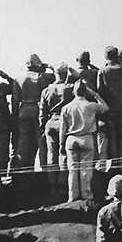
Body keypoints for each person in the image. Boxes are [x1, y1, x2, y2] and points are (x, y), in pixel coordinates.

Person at [59, 80, 108, 202]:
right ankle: (86, 196)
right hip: (86, 138)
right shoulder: (91, 105)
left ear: (73, 91)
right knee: (85, 171)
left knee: (72, 171)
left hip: (71, 139)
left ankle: (72, 197)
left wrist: (61, 143)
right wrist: (95, 94)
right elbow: (105, 107)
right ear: (85, 91)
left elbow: (62, 129)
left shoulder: (66, 108)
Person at [12, 54, 55, 169]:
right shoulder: (43, 77)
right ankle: (44, 169)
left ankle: (22, 169)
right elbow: (59, 77)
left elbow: (15, 101)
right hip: (38, 109)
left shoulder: (19, 78)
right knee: (41, 141)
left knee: (23, 143)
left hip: (24, 110)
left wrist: (15, 117)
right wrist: (50, 67)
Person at [39, 63, 74, 196]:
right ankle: (62, 184)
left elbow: (42, 112)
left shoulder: (47, 90)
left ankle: (52, 185)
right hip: (64, 123)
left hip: (51, 123)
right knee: (64, 154)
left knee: (51, 155)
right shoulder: (70, 88)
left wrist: (42, 127)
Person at [98, 46, 122, 164]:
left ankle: (115, 164)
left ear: (106, 56)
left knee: (112, 137)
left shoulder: (103, 71)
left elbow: (100, 91)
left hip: (110, 109)